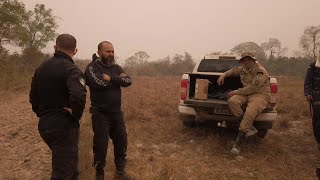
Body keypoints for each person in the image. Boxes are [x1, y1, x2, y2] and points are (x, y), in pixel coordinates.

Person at [29, 34, 87, 179]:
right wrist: (75, 115)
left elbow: (33, 97)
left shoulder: (41, 68)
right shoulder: (72, 69)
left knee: (70, 167)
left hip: (45, 124)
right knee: (63, 172)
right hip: (63, 125)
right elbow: (78, 96)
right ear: (75, 51)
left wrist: (43, 114)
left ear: (55, 47)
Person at [85, 41, 132, 180]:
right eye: (107, 51)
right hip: (100, 113)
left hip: (116, 113)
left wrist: (111, 78)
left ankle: (120, 173)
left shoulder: (116, 67)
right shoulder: (92, 68)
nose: (111, 54)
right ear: (99, 52)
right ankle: (99, 175)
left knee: (121, 142)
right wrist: (118, 80)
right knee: (100, 145)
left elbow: (128, 81)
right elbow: (98, 83)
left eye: (112, 51)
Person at [217, 52, 271, 155]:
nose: (246, 62)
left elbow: (253, 88)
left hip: (260, 94)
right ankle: (248, 127)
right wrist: (224, 74)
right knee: (232, 101)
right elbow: (233, 71)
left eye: (248, 60)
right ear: (242, 62)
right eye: (244, 60)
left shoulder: (260, 71)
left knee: (250, 112)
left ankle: (237, 144)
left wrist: (235, 92)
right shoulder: (242, 68)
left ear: (253, 60)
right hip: (246, 93)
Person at [304, 51, 320, 178]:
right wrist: (308, 93)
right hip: (316, 96)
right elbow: (307, 81)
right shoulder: (313, 66)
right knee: (317, 121)